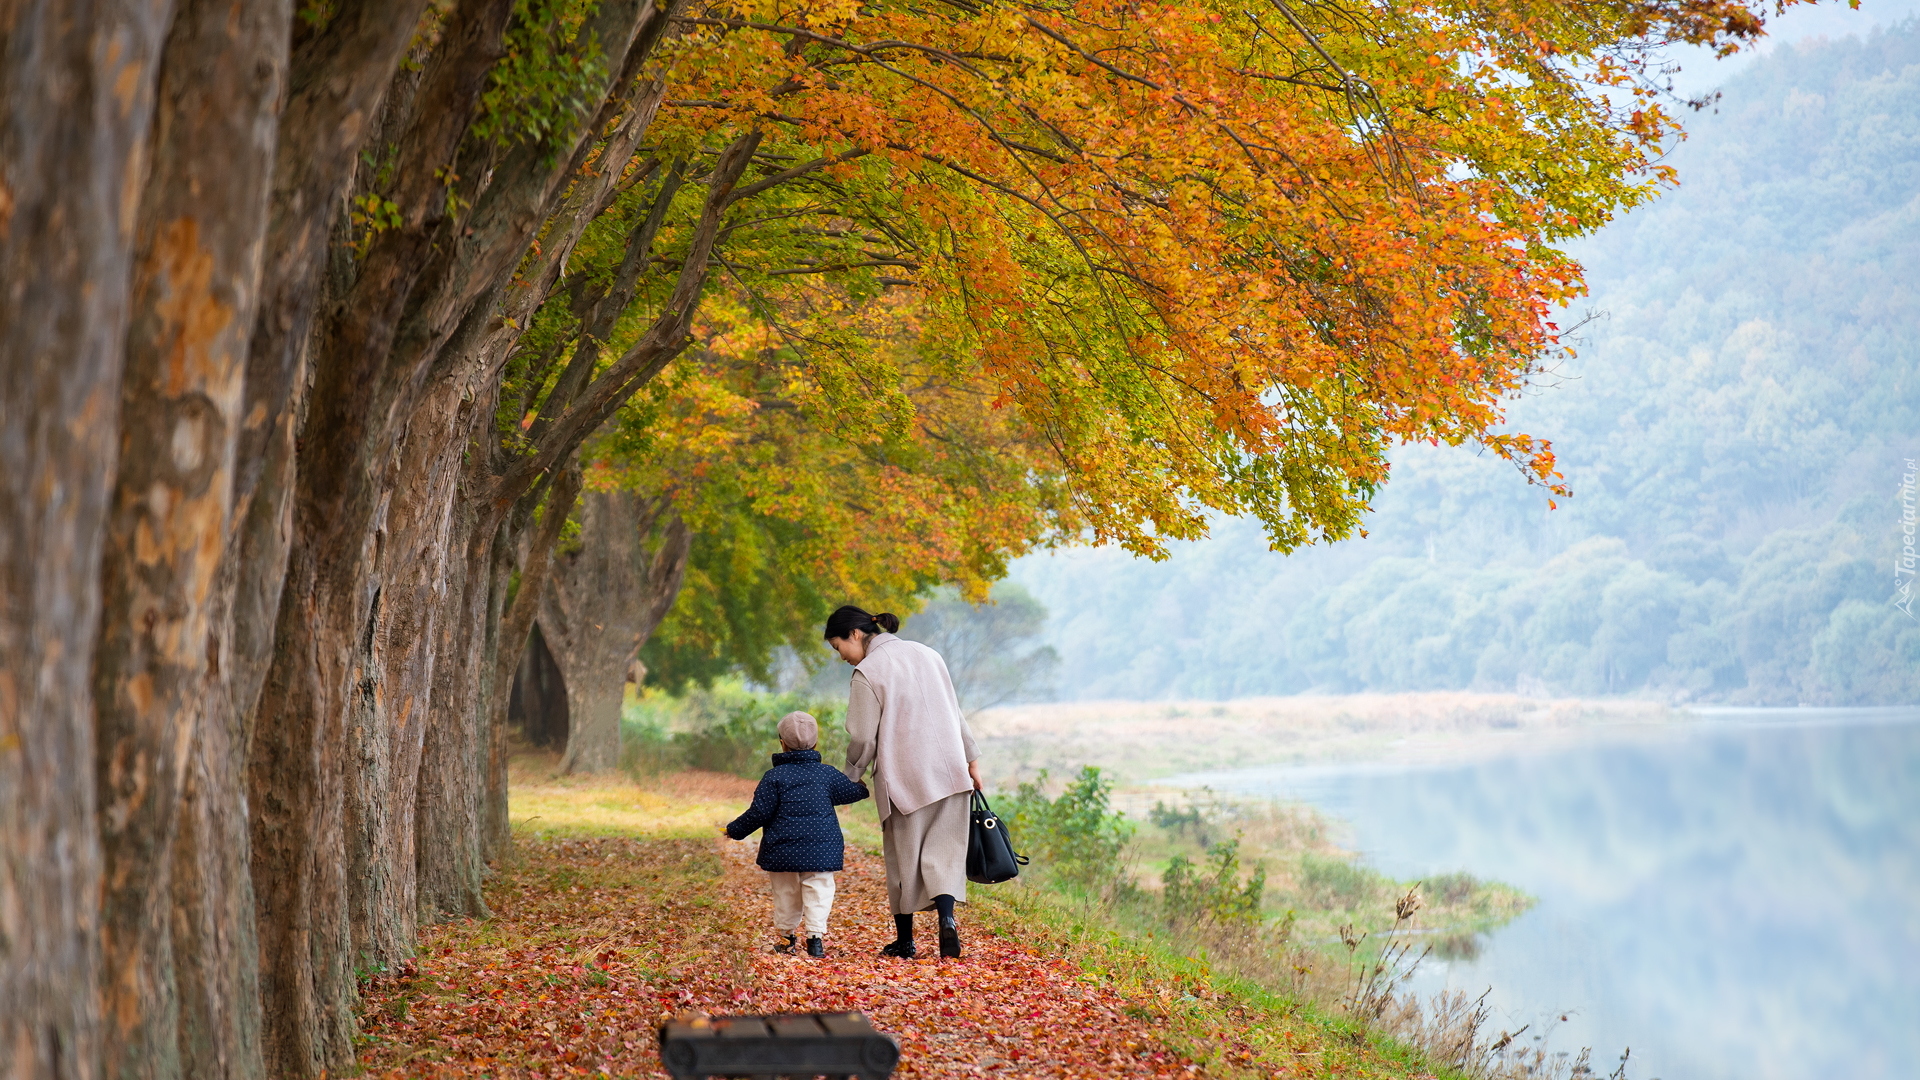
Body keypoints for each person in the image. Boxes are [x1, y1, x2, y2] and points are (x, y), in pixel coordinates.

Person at [826, 605, 984, 959]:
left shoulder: (868, 671)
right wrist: (972, 761)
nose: (842, 658)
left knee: (903, 858)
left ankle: (906, 940)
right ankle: (947, 921)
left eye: (839, 648)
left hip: (904, 776)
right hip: (950, 769)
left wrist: (849, 778)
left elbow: (864, 737)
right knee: (943, 853)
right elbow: (955, 711)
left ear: (854, 634)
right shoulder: (929, 654)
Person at [723, 711, 869, 958]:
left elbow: (759, 813)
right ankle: (815, 939)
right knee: (820, 889)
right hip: (822, 849)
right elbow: (852, 792)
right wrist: (861, 786)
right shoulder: (827, 774)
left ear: (782, 743)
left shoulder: (774, 777)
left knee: (786, 892)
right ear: (816, 743)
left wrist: (734, 830)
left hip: (783, 849)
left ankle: (786, 938)